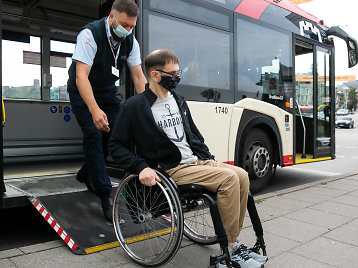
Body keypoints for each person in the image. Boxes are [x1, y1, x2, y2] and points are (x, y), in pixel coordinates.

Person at [109, 49, 267, 268]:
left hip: (195, 159)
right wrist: (141, 167)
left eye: (178, 71)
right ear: (155, 75)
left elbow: (193, 133)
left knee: (241, 174)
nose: (177, 77)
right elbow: (115, 145)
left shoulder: (178, 99)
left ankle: (234, 244)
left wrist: (209, 159)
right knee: (229, 180)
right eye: (172, 73)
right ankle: (231, 249)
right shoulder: (136, 107)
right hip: (171, 167)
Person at [67, 0, 147, 221]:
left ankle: (87, 174)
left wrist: (146, 109)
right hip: (82, 91)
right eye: (124, 24)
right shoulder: (89, 34)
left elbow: (138, 77)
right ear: (111, 16)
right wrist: (94, 110)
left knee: (117, 137)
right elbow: (81, 76)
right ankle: (104, 195)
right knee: (94, 135)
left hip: (108, 94)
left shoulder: (130, 40)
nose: (127, 30)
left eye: (132, 26)